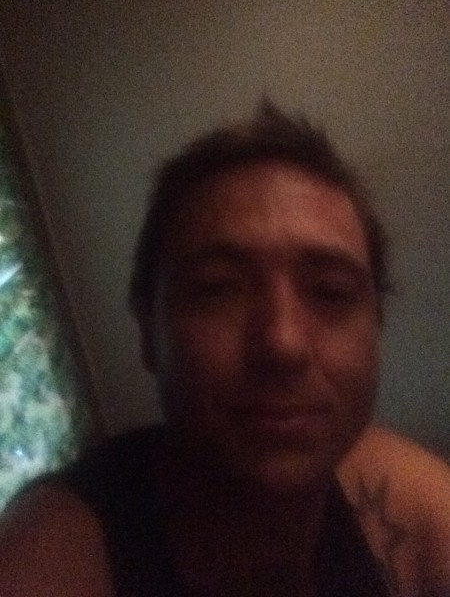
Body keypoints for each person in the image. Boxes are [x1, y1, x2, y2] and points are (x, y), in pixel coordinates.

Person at [0, 102, 449, 597]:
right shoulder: (55, 551)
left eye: (331, 291)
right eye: (217, 289)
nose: (282, 344)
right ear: (149, 331)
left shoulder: (390, 490)